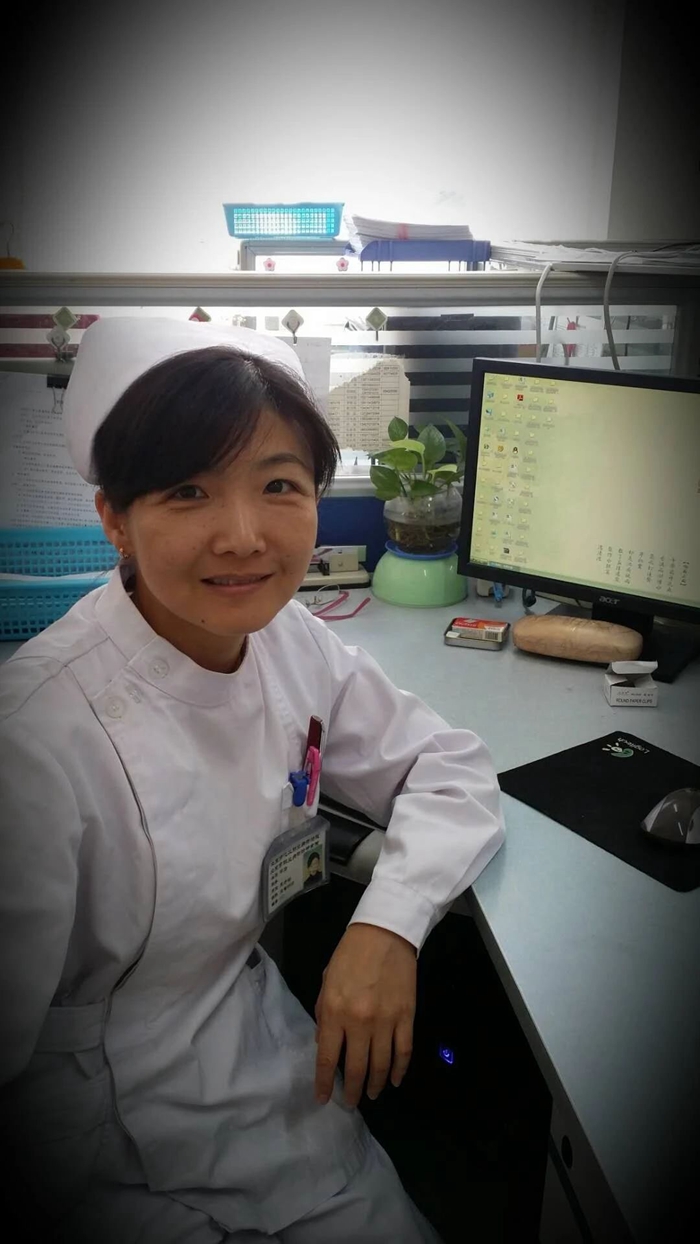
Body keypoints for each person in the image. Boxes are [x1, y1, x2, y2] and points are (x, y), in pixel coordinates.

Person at [0, 317, 505, 1243]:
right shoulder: (34, 740)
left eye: (278, 485)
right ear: (114, 518)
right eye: (188, 491)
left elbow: (449, 765)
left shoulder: (287, 637)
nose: (243, 537)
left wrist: (388, 925)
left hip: (264, 1059)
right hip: (91, 1148)